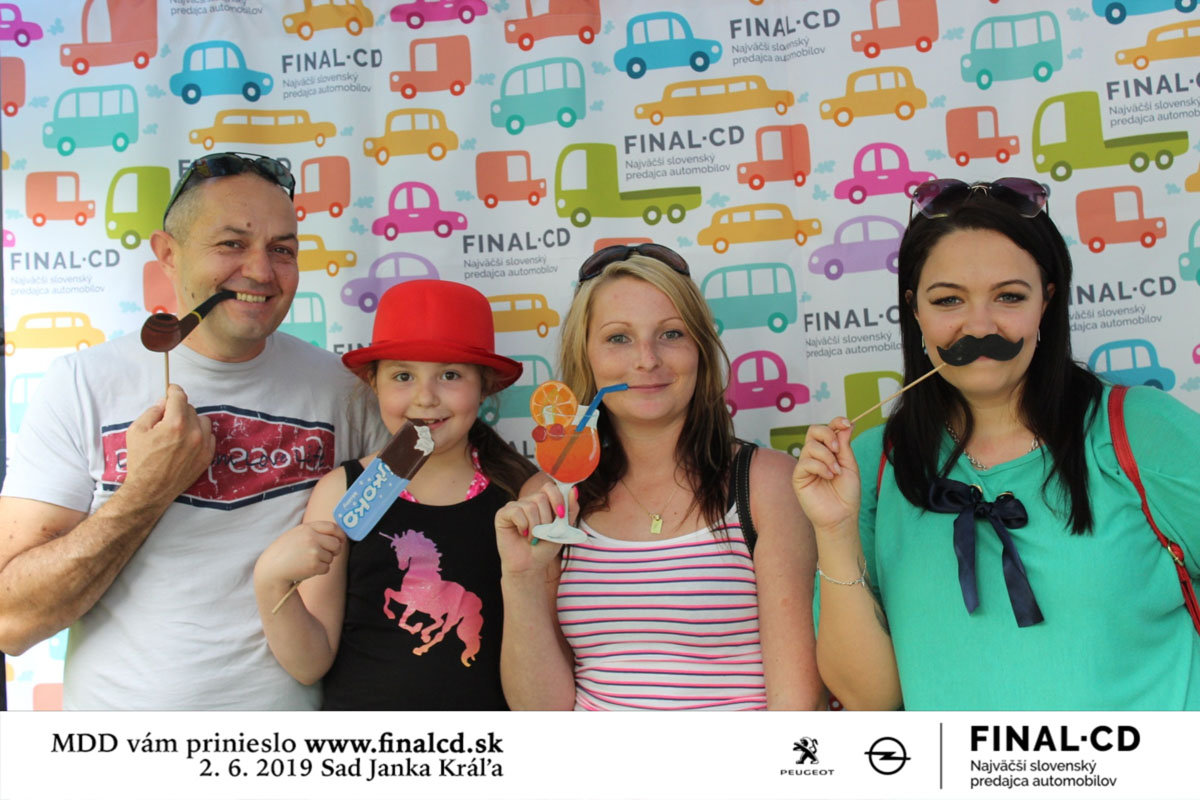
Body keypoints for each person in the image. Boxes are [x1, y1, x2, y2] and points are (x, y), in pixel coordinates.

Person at [792, 177, 1200, 710]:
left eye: (1009, 296)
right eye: (948, 300)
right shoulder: (871, 465)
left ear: (1046, 302)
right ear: (914, 311)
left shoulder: (1142, 429)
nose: (979, 325)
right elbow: (871, 700)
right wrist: (834, 531)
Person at [0, 152, 386, 709]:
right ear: (167, 253)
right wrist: (147, 489)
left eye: (282, 249)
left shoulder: (344, 390)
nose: (261, 271)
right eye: (231, 244)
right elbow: (12, 622)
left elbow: (413, 522)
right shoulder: (81, 384)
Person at [496, 245, 822, 710]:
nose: (647, 359)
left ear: (700, 350)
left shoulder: (766, 486)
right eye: (618, 338)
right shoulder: (550, 499)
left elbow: (797, 710)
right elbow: (541, 714)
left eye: (671, 334)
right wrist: (521, 579)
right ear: (585, 357)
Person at [254, 279, 536, 710]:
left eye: (450, 375)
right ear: (375, 383)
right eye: (403, 376)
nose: (425, 397)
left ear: (484, 386)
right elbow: (309, 664)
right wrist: (271, 582)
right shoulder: (342, 491)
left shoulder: (520, 494)